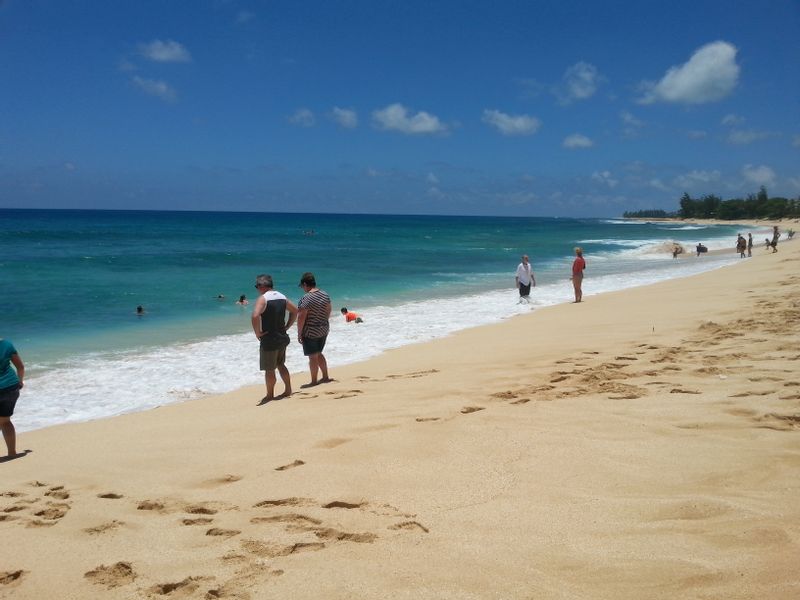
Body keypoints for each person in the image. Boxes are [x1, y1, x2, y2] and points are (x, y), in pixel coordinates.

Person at [251, 275, 297, 402]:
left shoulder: (263, 299)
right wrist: (287, 325)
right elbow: (295, 311)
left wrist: (258, 333)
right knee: (281, 364)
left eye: (257, 286)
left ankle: (270, 395)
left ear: (262, 286)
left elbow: (255, 316)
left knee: (269, 369)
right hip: (282, 337)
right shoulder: (282, 297)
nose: (257, 289)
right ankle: (288, 389)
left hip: (269, 339)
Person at [297, 272, 332, 387]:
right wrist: (322, 321)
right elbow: (328, 310)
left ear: (305, 284)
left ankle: (313, 381)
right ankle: (325, 376)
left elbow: (301, 317)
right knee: (318, 353)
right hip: (323, 328)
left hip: (310, 331)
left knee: (312, 356)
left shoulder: (306, 298)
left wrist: (299, 333)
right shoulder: (325, 294)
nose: (302, 289)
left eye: (302, 286)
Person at [0, 338, 25, 461]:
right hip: (11, 387)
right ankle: (12, 453)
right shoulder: (7, 344)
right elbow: (20, 366)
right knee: (5, 421)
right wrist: (20, 382)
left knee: (3, 422)